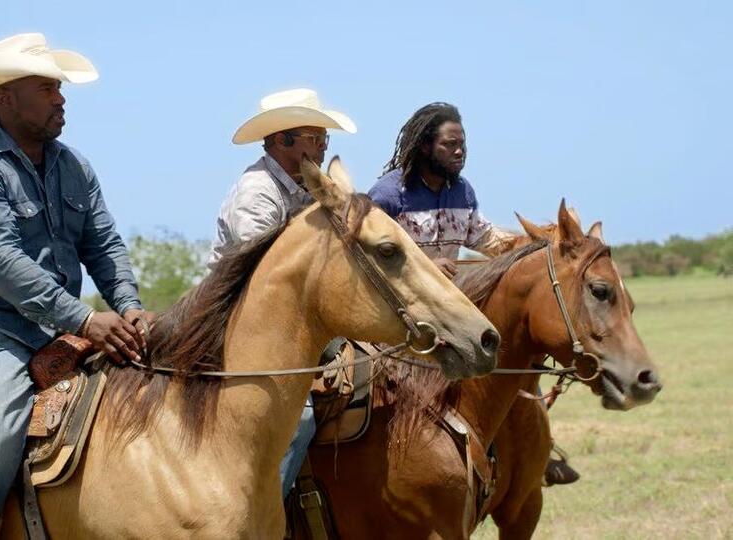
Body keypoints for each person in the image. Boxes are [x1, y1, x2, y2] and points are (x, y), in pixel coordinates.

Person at [0, 33, 151, 538]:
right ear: (3, 98)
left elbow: (104, 245)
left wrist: (130, 305)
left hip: (61, 328)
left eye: (59, 87)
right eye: (46, 87)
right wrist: (84, 318)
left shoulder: (74, 165)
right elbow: (5, 266)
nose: (61, 98)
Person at [369, 101, 579, 486]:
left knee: (505, 350)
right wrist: (428, 269)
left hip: (447, 311)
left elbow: (485, 237)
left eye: (463, 144)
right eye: (450, 144)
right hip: (396, 315)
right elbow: (365, 256)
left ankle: (531, 452)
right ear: (424, 147)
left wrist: (547, 246)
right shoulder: (387, 195)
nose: (460, 151)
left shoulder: (462, 191)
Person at [209, 88, 356, 496]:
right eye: (314, 136)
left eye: (325, 137)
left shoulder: (313, 186)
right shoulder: (257, 192)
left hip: (294, 323)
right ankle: (260, 509)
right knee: (298, 417)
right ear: (280, 140)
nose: (324, 144)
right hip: (238, 321)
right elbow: (267, 282)